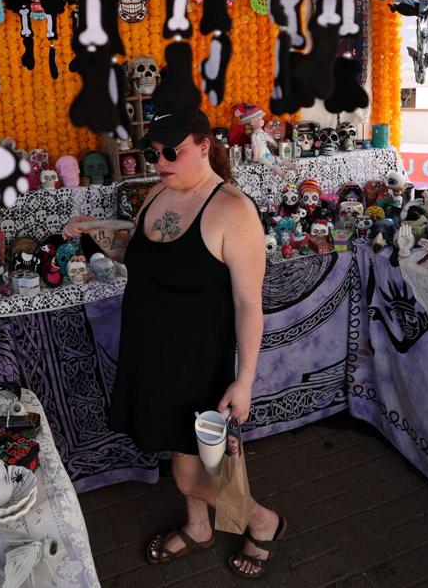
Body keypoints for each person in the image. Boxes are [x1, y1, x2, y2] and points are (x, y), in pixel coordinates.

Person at [64, 109, 285, 578]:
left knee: (192, 470)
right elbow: (144, 251)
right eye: (153, 152)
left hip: (195, 365)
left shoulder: (232, 209)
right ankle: (198, 526)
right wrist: (96, 229)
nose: (160, 160)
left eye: (171, 151)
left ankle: (262, 522)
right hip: (150, 354)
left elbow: (249, 303)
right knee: (173, 449)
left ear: (204, 146)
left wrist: (245, 381)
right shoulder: (157, 193)